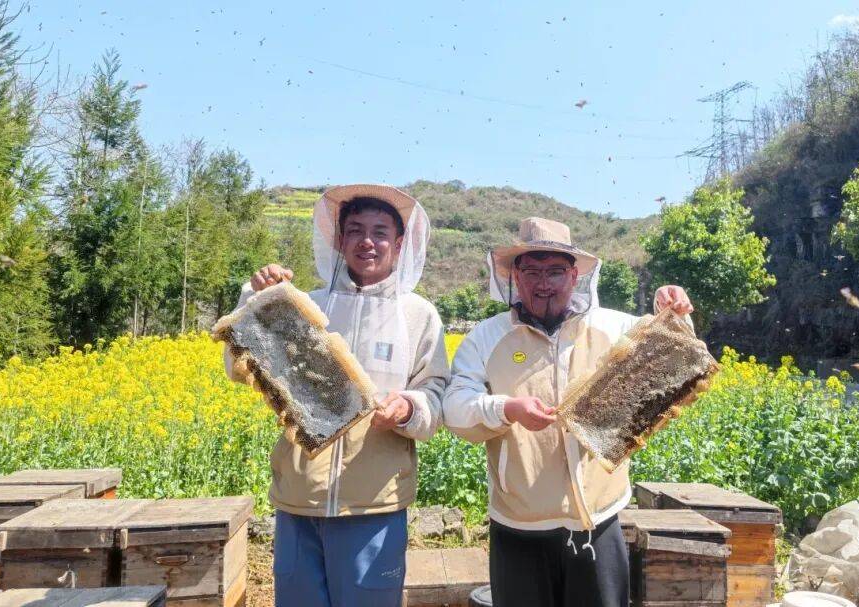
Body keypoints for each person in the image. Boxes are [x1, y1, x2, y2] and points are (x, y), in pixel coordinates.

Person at [443, 216, 694, 607]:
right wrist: (506, 408)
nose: (544, 283)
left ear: (574, 275)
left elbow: (673, 355)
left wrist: (674, 311)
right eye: (533, 271)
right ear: (515, 275)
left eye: (555, 271)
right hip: (518, 529)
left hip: (599, 523)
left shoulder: (613, 328)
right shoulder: (486, 338)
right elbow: (455, 408)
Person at [222, 184, 448, 607]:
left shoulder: (419, 315)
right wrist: (256, 297)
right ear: (339, 239)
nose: (368, 241)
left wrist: (407, 409)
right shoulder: (305, 302)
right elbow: (241, 368)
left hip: (375, 505)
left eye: (381, 232)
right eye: (356, 230)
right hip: (299, 501)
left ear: (399, 244)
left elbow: (435, 394)